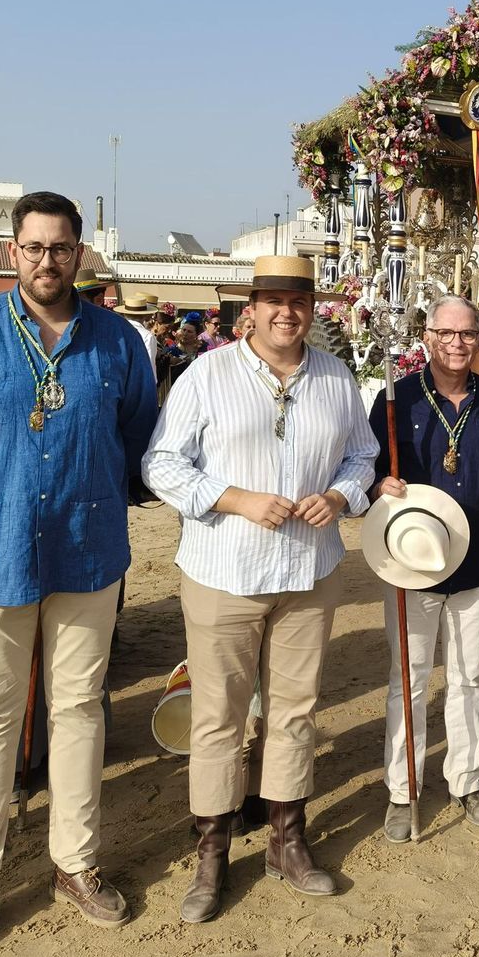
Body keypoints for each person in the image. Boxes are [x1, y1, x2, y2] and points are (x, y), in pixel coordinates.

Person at [0, 191, 158, 957]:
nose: (47, 260)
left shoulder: (118, 343)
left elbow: (136, 436)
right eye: (33, 247)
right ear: (10, 252)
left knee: (80, 708)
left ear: (80, 254)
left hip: (87, 549)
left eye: (61, 248)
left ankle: (75, 865)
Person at [143, 254, 377, 920]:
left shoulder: (335, 377)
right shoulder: (207, 375)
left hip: (310, 570)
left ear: (312, 310)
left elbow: (362, 454)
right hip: (225, 571)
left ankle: (286, 841)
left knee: (296, 710)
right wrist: (234, 498)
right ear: (251, 308)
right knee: (219, 717)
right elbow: (162, 463)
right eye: (273, 300)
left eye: (298, 301)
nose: (286, 313)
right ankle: (212, 854)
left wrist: (340, 493)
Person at [369, 295, 479, 838]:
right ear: (428, 337)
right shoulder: (396, 400)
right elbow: (364, 465)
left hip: (478, 559)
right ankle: (401, 788)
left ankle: (466, 779)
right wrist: (376, 486)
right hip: (410, 561)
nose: (457, 344)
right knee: (408, 681)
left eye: (467, 334)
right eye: (446, 333)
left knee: (468, 678)